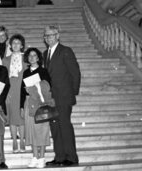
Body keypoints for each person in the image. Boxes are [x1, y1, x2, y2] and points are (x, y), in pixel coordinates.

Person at [43, 24, 81, 166]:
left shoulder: (66, 51)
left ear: (57, 36)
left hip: (64, 96)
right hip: (50, 98)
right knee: (55, 127)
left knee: (64, 126)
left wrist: (73, 93)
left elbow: (75, 73)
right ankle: (59, 157)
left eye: (51, 35)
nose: (48, 38)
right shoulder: (44, 54)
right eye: (46, 35)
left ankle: (71, 157)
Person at [20, 48, 51, 168]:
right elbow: (22, 91)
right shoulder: (25, 72)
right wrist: (21, 107)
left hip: (40, 102)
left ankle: (42, 157)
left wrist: (34, 88)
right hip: (28, 102)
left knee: (42, 130)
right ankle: (35, 156)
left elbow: (48, 87)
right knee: (31, 130)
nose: (32, 58)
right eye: (30, 56)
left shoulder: (43, 71)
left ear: (38, 58)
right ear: (27, 58)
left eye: (34, 55)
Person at [2, 34, 27, 153]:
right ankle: (14, 141)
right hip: (10, 90)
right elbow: (3, 78)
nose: (16, 45)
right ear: (10, 45)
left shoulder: (27, 59)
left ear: (22, 45)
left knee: (21, 117)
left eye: (18, 43)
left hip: (22, 91)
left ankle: (22, 140)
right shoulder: (5, 60)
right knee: (12, 117)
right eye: (14, 43)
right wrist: (5, 93)